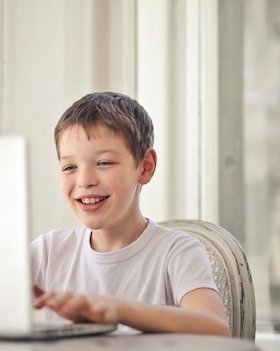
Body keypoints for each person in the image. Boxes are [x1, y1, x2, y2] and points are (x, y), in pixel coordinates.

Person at [30, 91, 231, 336]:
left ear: (145, 167)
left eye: (104, 163)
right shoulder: (49, 251)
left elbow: (217, 330)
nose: (84, 181)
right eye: (70, 167)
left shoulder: (176, 252)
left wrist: (120, 310)